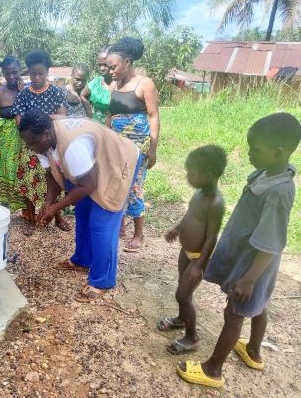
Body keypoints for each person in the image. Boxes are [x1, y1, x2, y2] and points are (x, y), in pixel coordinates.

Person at [177, 113, 301, 388]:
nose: (249, 153)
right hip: (252, 261)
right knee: (258, 305)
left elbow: (271, 240)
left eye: (255, 149)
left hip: (255, 264)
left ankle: (212, 370)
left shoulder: (279, 192)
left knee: (234, 313)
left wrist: (249, 278)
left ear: (279, 152)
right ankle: (254, 351)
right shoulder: (267, 174)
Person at [18, 110, 141, 302]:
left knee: (102, 223)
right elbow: (51, 174)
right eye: (27, 144)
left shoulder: (73, 145)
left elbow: (88, 185)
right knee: (83, 213)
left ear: (46, 134)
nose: (30, 148)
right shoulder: (43, 143)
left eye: (32, 143)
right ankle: (83, 259)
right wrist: (48, 203)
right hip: (89, 168)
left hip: (117, 160)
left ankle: (102, 280)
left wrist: (55, 208)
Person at [160, 145, 226, 354]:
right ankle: (181, 319)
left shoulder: (215, 202)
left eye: (191, 172)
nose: (187, 176)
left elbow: (212, 236)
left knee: (182, 295)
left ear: (207, 175)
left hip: (198, 256)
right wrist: (177, 229)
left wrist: (198, 264)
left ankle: (192, 336)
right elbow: (190, 215)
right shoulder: (198, 194)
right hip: (185, 251)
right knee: (182, 287)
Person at [107, 37, 160, 252]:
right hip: (116, 145)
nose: (110, 71)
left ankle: (139, 234)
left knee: (135, 187)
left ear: (127, 62)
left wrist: (153, 148)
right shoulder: (114, 85)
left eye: (114, 66)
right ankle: (119, 225)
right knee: (116, 182)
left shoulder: (145, 84)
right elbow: (111, 114)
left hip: (137, 146)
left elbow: (154, 116)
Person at [13, 50, 69, 231]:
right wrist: (45, 119)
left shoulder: (57, 93)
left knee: (55, 178)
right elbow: (20, 123)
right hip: (29, 145)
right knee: (28, 182)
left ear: (47, 72)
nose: (36, 77)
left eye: (41, 73)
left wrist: (37, 118)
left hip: (51, 143)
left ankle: (57, 215)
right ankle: (30, 218)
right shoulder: (22, 95)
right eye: (33, 73)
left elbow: (62, 117)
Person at [0, 56, 25, 211]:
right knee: (5, 170)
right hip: (4, 140)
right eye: (8, 73)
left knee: (21, 171)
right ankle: (4, 208)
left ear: (20, 71)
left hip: (23, 138)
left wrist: (22, 93)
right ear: (3, 73)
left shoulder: (27, 90)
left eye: (15, 72)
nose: (12, 77)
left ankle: (25, 210)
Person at [81, 47, 114, 124]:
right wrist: (90, 115)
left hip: (115, 131)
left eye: (105, 65)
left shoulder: (120, 84)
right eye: (99, 65)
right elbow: (83, 95)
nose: (102, 68)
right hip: (97, 129)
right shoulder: (95, 83)